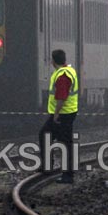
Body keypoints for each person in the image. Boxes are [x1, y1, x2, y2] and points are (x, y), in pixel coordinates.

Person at [38, 49, 79, 184]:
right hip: (67, 112)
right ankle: (47, 165)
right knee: (46, 134)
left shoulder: (62, 75)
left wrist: (56, 114)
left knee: (65, 143)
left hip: (63, 114)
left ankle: (68, 175)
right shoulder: (68, 70)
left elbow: (62, 96)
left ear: (53, 61)